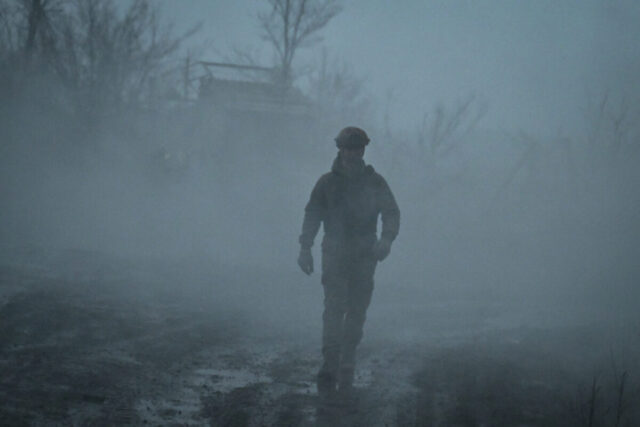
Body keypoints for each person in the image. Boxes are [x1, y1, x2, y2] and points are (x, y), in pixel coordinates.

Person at [297, 126, 400, 398]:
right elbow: (312, 214)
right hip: (335, 250)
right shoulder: (326, 183)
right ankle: (331, 361)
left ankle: (348, 357)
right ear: (340, 149)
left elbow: (391, 212)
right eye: (348, 148)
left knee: (357, 307)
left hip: (365, 252)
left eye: (358, 148)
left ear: (363, 150)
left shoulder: (375, 183)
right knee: (334, 307)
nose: (353, 153)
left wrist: (387, 239)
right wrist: (305, 247)